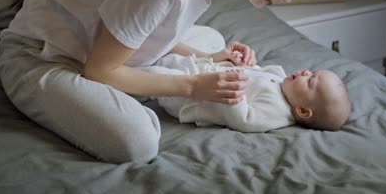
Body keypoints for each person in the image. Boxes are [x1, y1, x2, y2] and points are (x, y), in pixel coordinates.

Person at [0, 0, 319, 164]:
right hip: (41, 56)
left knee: (214, 42)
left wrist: (209, 58)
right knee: (138, 142)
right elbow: (99, 70)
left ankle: (152, 78)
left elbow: (152, 25)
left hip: (102, 44)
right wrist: (193, 86)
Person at [146, 53, 351, 132]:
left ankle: (125, 83)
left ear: (303, 111)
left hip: (188, 98)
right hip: (200, 70)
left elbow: (244, 120)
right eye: (312, 72)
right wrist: (242, 63)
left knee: (155, 75)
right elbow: (256, 72)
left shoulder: (277, 111)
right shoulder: (280, 78)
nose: (306, 72)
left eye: (310, 80)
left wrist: (237, 95)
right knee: (166, 57)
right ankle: (133, 62)